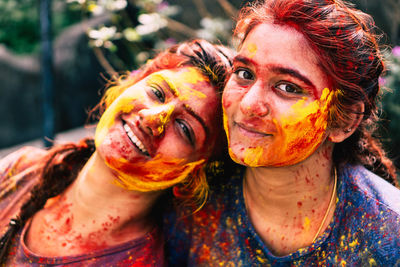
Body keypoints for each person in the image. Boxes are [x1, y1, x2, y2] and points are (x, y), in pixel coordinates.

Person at [164, 0, 400, 265]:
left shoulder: (388, 237)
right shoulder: (191, 195)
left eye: (288, 87)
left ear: (343, 121)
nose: (249, 104)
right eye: (243, 73)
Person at [0, 39, 232, 266]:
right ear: (130, 85)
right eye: (157, 93)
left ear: (195, 174)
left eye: (184, 128)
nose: (151, 119)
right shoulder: (21, 168)